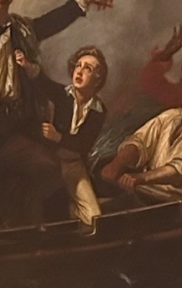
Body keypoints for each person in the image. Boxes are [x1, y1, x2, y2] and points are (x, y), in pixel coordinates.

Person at [0, 0, 101, 228]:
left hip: (15, 127)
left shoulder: (22, 30)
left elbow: (52, 22)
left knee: (47, 168)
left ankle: (31, 231)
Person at [100, 61, 182, 201]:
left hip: (180, 206)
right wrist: (117, 163)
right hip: (145, 195)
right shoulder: (171, 116)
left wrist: (141, 178)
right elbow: (141, 141)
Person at [41, 44, 108, 230]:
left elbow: (83, 146)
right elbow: (41, 81)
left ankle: (69, 212)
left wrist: (58, 138)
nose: (79, 72)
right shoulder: (61, 95)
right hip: (51, 162)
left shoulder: (98, 111)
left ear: (98, 78)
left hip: (74, 165)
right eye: (78, 65)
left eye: (88, 68)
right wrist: (29, 66)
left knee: (94, 218)